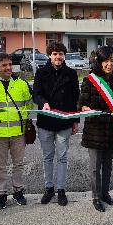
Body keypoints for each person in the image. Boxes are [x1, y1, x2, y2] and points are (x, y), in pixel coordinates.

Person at [0, 52, 33, 210]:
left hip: (18, 133)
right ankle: (1, 194)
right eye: (4, 65)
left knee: (18, 164)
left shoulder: (22, 84)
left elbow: (29, 105)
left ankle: (18, 191)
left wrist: (22, 119)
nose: (8, 67)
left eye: (10, 64)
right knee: (0, 166)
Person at [78, 46, 113, 212]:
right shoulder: (90, 80)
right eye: (106, 61)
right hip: (95, 130)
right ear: (98, 62)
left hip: (112, 128)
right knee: (95, 167)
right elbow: (81, 103)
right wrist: (84, 107)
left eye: (112, 60)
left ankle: (105, 193)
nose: (109, 64)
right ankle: (96, 197)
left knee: (108, 166)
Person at [33, 42, 80, 206]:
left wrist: (75, 120)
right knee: (47, 157)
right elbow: (36, 94)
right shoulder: (41, 72)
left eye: (60, 53)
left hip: (64, 122)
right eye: (54, 54)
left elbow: (76, 99)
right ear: (49, 56)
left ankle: (61, 189)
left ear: (64, 55)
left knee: (62, 157)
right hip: (45, 121)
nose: (58, 57)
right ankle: (49, 188)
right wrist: (44, 102)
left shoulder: (71, 74)